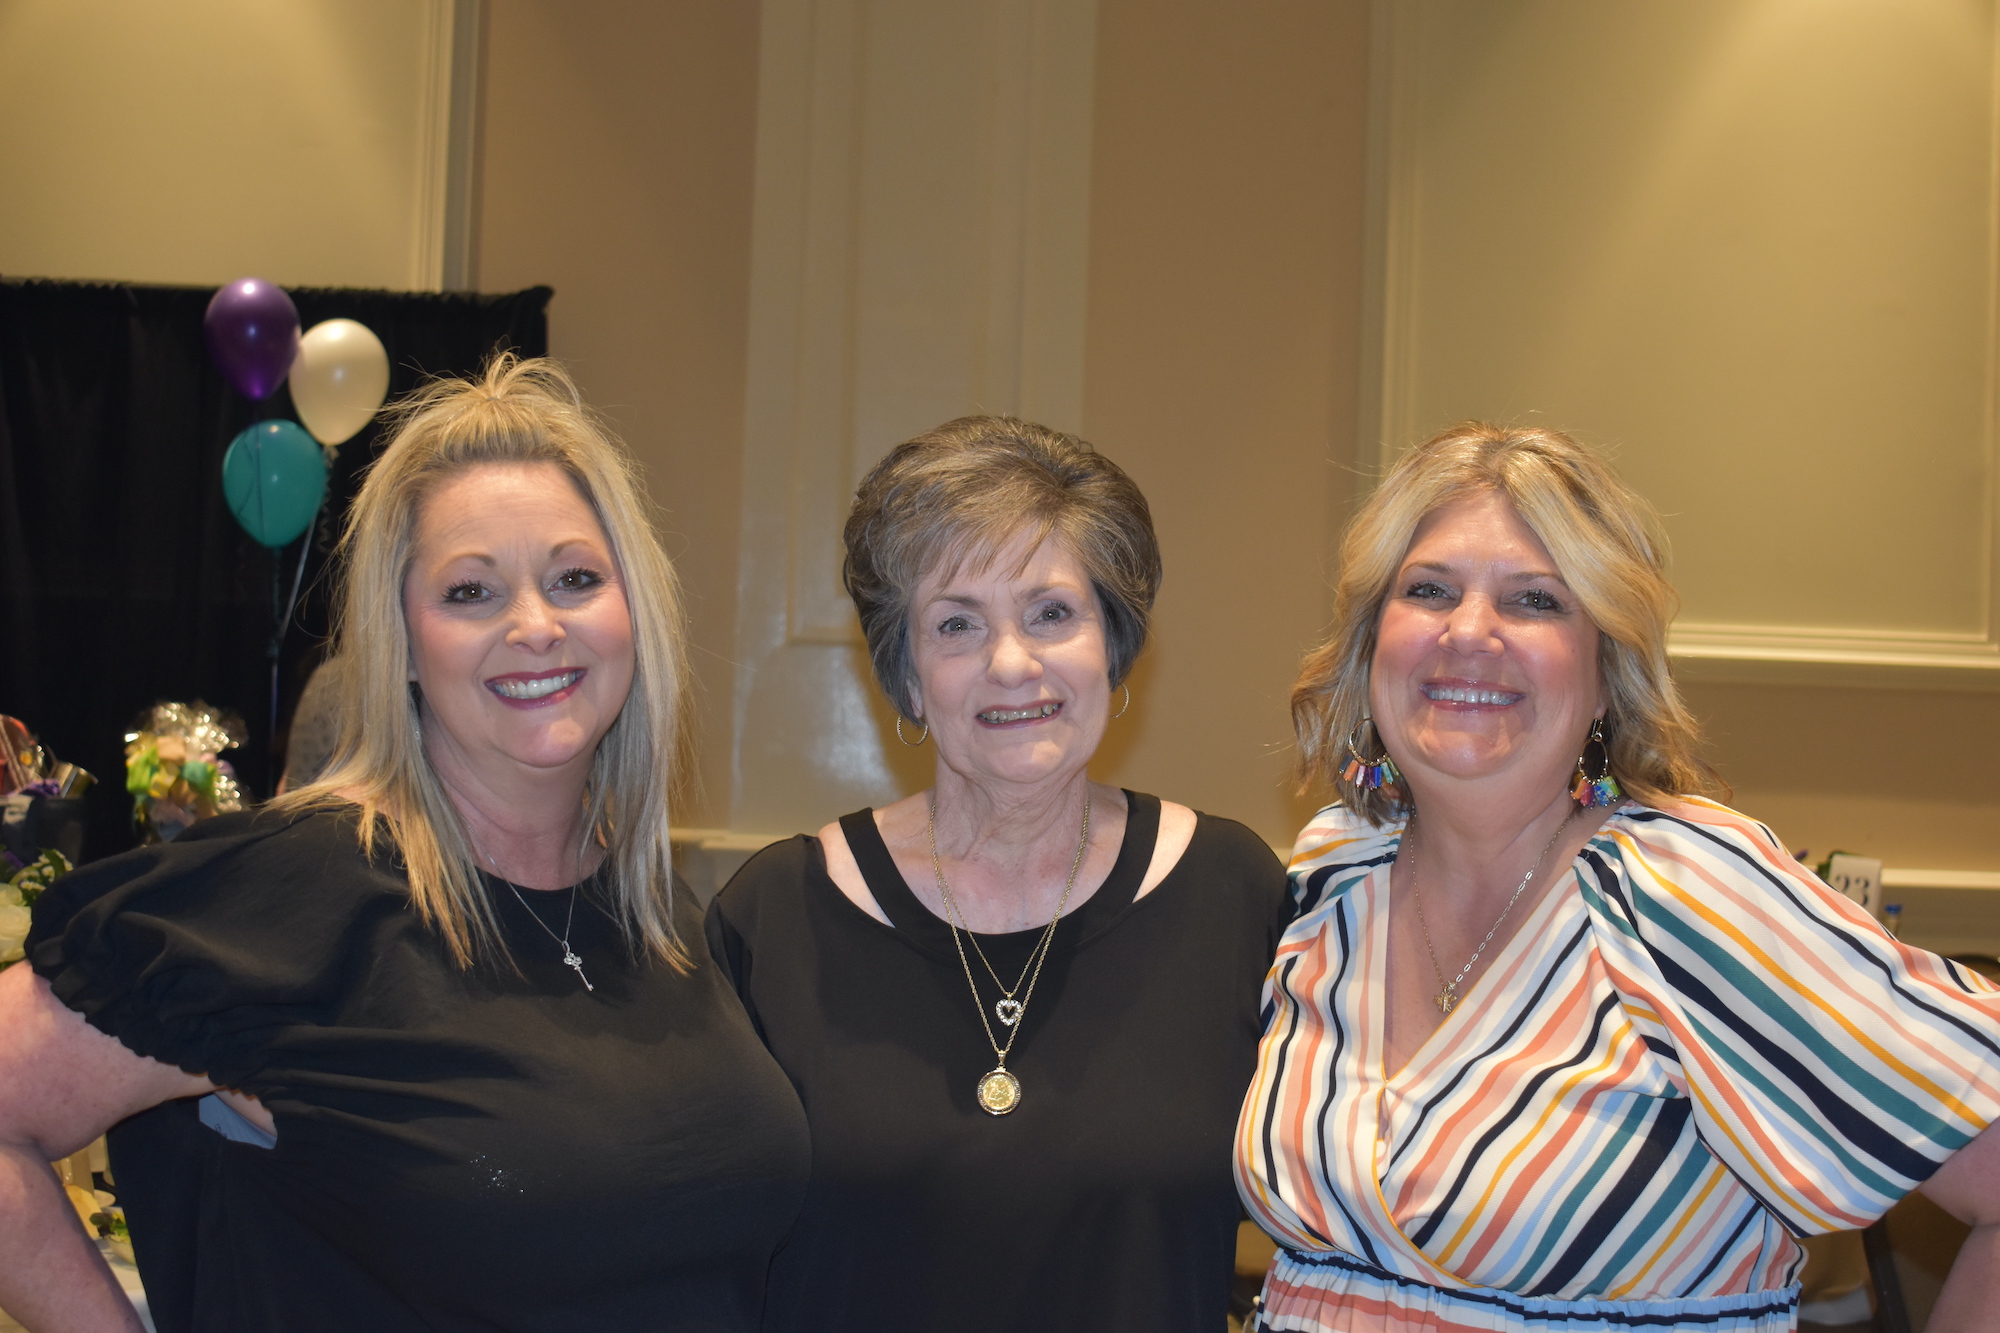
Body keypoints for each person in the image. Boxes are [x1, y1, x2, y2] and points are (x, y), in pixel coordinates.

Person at [0, 357, 810, 1333]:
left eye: (576, 578)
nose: (535, 625)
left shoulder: (647, 906)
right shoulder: (290, 892)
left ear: (633, 610)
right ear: (402, 642)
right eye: (470, 591)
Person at [1237, 422, 2000, 1332]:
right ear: (1371, 646)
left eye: (1534, 600)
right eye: (1428, 589)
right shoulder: (1336, 871)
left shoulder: (1682, 889)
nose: (1468, 630)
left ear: (1606, 674)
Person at [706, 416, 1291, 1332]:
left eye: (1051, 612)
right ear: (906, 675)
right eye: (957, 624)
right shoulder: (775, 917)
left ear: (1112, 644)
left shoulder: (1234, 894)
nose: (1012, 662)